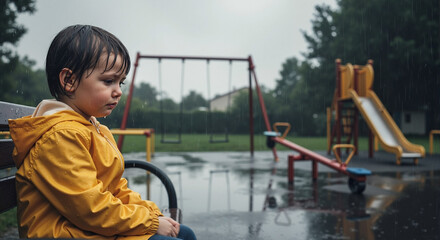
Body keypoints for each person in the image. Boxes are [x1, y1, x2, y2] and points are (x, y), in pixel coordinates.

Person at [9, 24, 196, 240]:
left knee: (184, 233)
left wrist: (152, 214)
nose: (118, 91)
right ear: (69, 81)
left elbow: (116, 189)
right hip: (67, 233)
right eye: (108, 81)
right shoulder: (60, 136)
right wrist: (151, 223)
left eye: (121, 82)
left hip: (91, 229)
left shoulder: (95, 129)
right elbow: (91, 209)